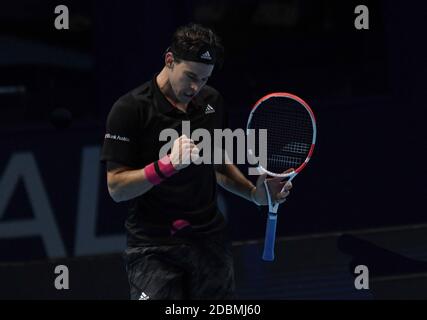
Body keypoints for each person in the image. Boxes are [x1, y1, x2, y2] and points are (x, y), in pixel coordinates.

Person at [100, 23, 292, 300]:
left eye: (204, 79)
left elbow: (218, 165)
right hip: (153, 248)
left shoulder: (211, 101)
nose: (195, 87)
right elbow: (117, 188)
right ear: (169, 60)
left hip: (209, 243)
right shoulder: (130, 110)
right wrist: (166, 166)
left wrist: (254, 194)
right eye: (190, 76)